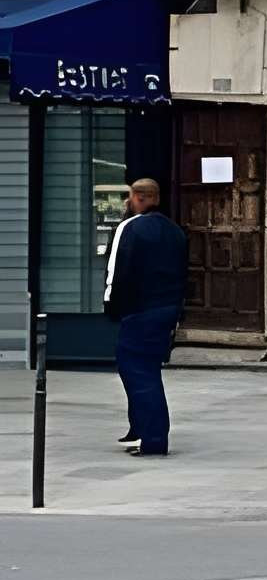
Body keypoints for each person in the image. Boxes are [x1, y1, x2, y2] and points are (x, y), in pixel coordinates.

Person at [103, 176, 188, 459]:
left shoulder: (129, 228)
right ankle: (138, 427)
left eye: (129, 196)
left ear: (138, 197)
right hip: (166, 310)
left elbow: (117, 272)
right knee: (146, 367)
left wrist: (111, 307)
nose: (127, 202)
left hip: (140, 310)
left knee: (138, 371)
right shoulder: (175, 231)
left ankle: (152, 438)